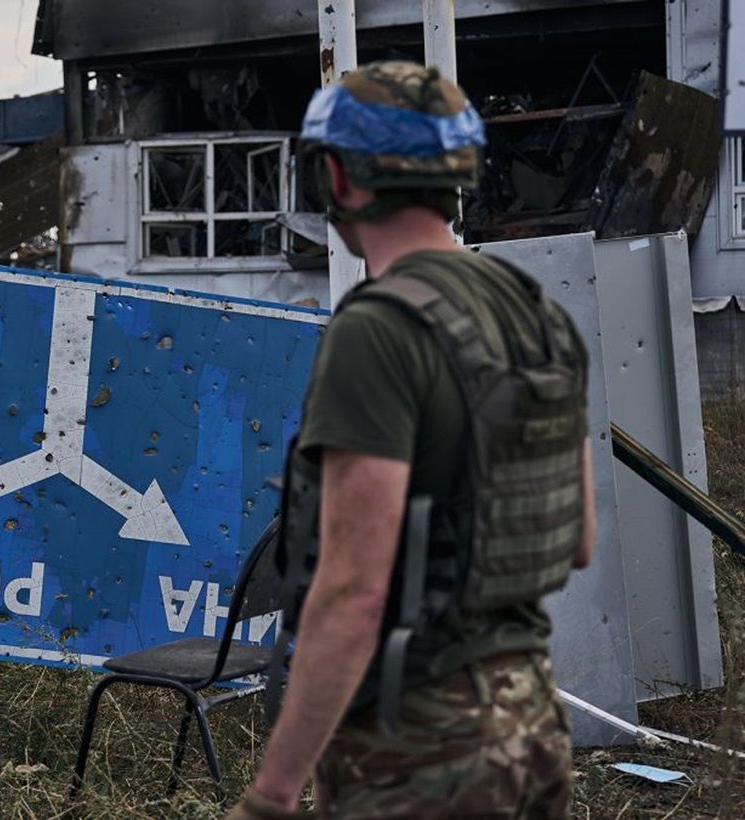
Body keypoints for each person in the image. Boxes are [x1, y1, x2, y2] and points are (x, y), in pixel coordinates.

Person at [228, 62, 596, 819]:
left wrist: (273, 793)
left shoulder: (378, 330)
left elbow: (355, 592)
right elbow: (579, 538)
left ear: (338, 175)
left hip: (417, 745)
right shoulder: (536, 312)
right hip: (529, 724)